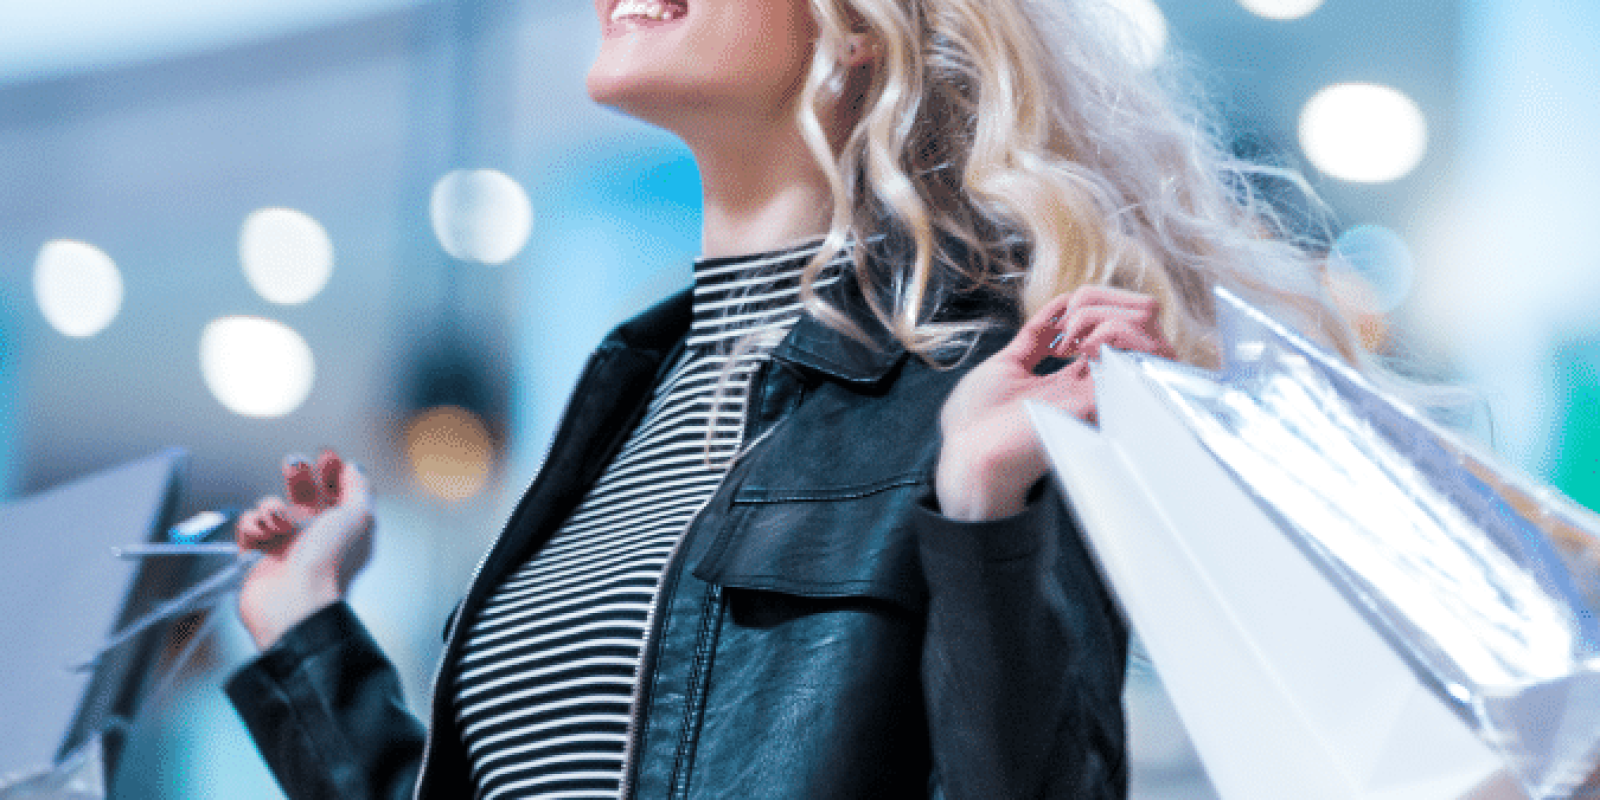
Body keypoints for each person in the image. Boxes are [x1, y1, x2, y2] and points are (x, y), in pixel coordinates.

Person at [227, 0, 1359, 797]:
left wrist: (980, 511)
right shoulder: (624, 397)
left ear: (860, 25)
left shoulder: (983, 393)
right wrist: (306, 629)